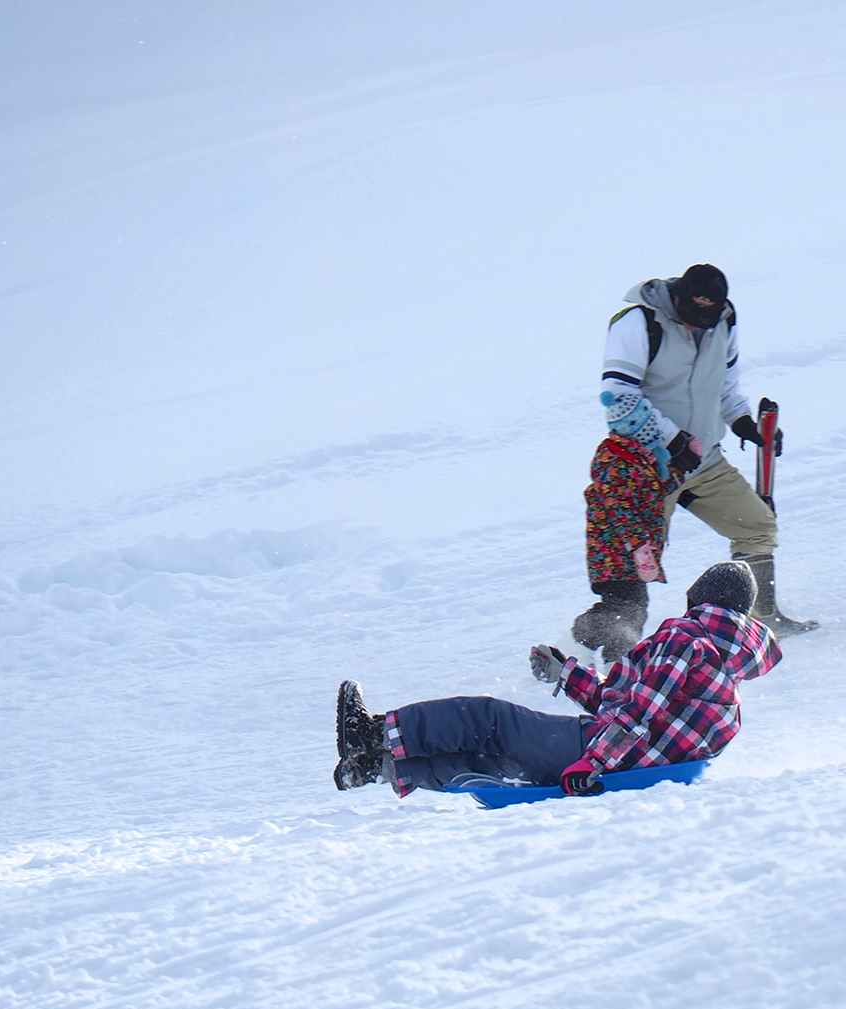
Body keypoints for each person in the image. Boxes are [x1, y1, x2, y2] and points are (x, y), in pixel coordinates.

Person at [335, 562, 781, 796]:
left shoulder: (688, 638)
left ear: (703, 598)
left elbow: (640, 713)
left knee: (491, 722)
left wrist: (596, 761)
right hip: (624, 762)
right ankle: (375, 768)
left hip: (602, 756)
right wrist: (566, 674)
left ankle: (372, 733)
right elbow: (627, 703)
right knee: (496, 761)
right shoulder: (727, 687)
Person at [571, 264, 815, 663]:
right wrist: (672, 439)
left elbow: (723, 385)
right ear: (677, 299)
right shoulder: (638, 323)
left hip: (703, 463)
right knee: (631, 575)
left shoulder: (724, 321)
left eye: (708, 318)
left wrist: (743, 422)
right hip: (643, 470)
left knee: (756, 526)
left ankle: (760, 620)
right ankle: (584, 655)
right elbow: (617, 398)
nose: (700, 326)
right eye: (692, 316)